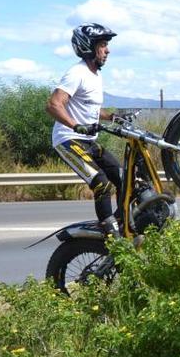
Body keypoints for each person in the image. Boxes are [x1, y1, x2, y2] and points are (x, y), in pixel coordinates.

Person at [46, 23, 122, 238]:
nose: (107, 50)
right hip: (68, 140)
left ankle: (122, 221)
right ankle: (110, 236)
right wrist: (75, 125)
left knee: (122, 177)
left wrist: (114, 117)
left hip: (88, 140)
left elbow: (91, 110)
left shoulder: (95, 75)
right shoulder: (76, 72)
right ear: (88, 47)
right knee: (102, 184)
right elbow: (53, 104)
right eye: (103, 45)